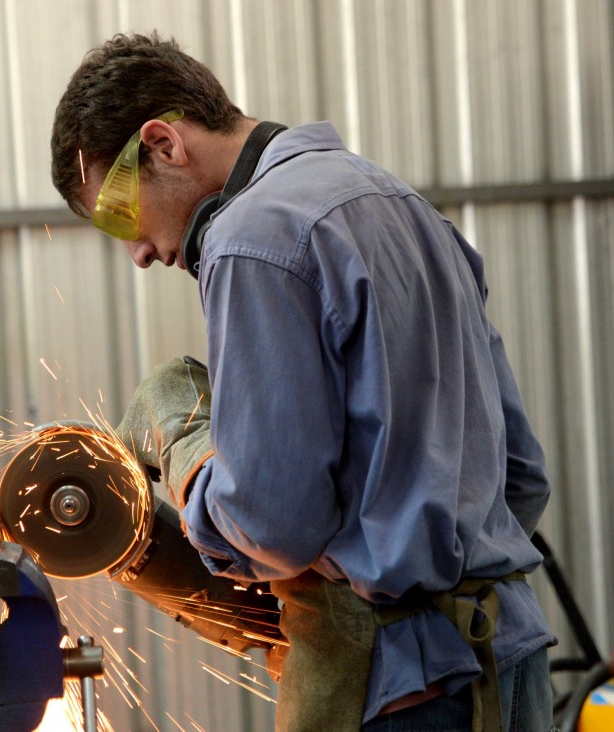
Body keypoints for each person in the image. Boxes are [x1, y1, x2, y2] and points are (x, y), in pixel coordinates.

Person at [50, 32, 555, 732]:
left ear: (164, 143)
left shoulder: (250, 239)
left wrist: (190, 452)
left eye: (118, 214)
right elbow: (523, 474)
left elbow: (274, 526)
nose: (136, 252)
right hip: (514, 661)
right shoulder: (402, 204)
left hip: (411, 695)